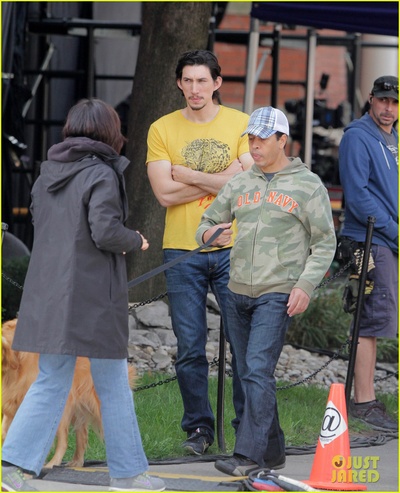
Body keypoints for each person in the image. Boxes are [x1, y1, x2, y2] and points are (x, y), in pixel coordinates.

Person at [1, 99, 165, 492]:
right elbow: (105, 232)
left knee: (49, 380)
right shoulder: (103, 173)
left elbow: (46, 226)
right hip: (92, 299)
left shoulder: (47, 174)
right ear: (110, 131)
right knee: (112, 383)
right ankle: (129, 474)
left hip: (50, 294)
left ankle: (12, 466)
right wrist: (135, 240)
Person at [196, 106, 337, 476]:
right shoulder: (240, 183)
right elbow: (208, 221)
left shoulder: (308, 185)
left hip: (278, 292)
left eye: (262, 139)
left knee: (258, 369)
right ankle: (272, 450)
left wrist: (305, 285)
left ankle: (249, 455)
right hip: (236, 291)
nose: (254, 146)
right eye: (251, 139)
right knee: (247, 371)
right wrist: (209, 234)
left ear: (282, 140)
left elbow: (325, 242)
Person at [146, 49, 253, 455]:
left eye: (202, 81)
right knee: (190, 346)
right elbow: (163, 193)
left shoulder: (240, 123)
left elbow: (249, 179)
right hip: (182, 250)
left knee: (243, 344)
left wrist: (189, 175)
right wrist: (223, 178)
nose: (195, 89)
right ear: (179, 83)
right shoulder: (161, 128)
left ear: (217, 83)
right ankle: (198, 430)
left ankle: (248, 429)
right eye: (188, 81)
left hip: (233, 245)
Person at [338, 75, 398, 431]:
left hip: (386, 239)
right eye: (383, 100)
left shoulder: (392, 138)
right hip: (369, 240)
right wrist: (395, 232)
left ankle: (366, 399)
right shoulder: (357, 136)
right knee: (369, 318)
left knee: (376, 318)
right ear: (371, 99)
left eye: (394, 102)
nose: (388, 108)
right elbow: (359, 197)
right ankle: (363, 402)